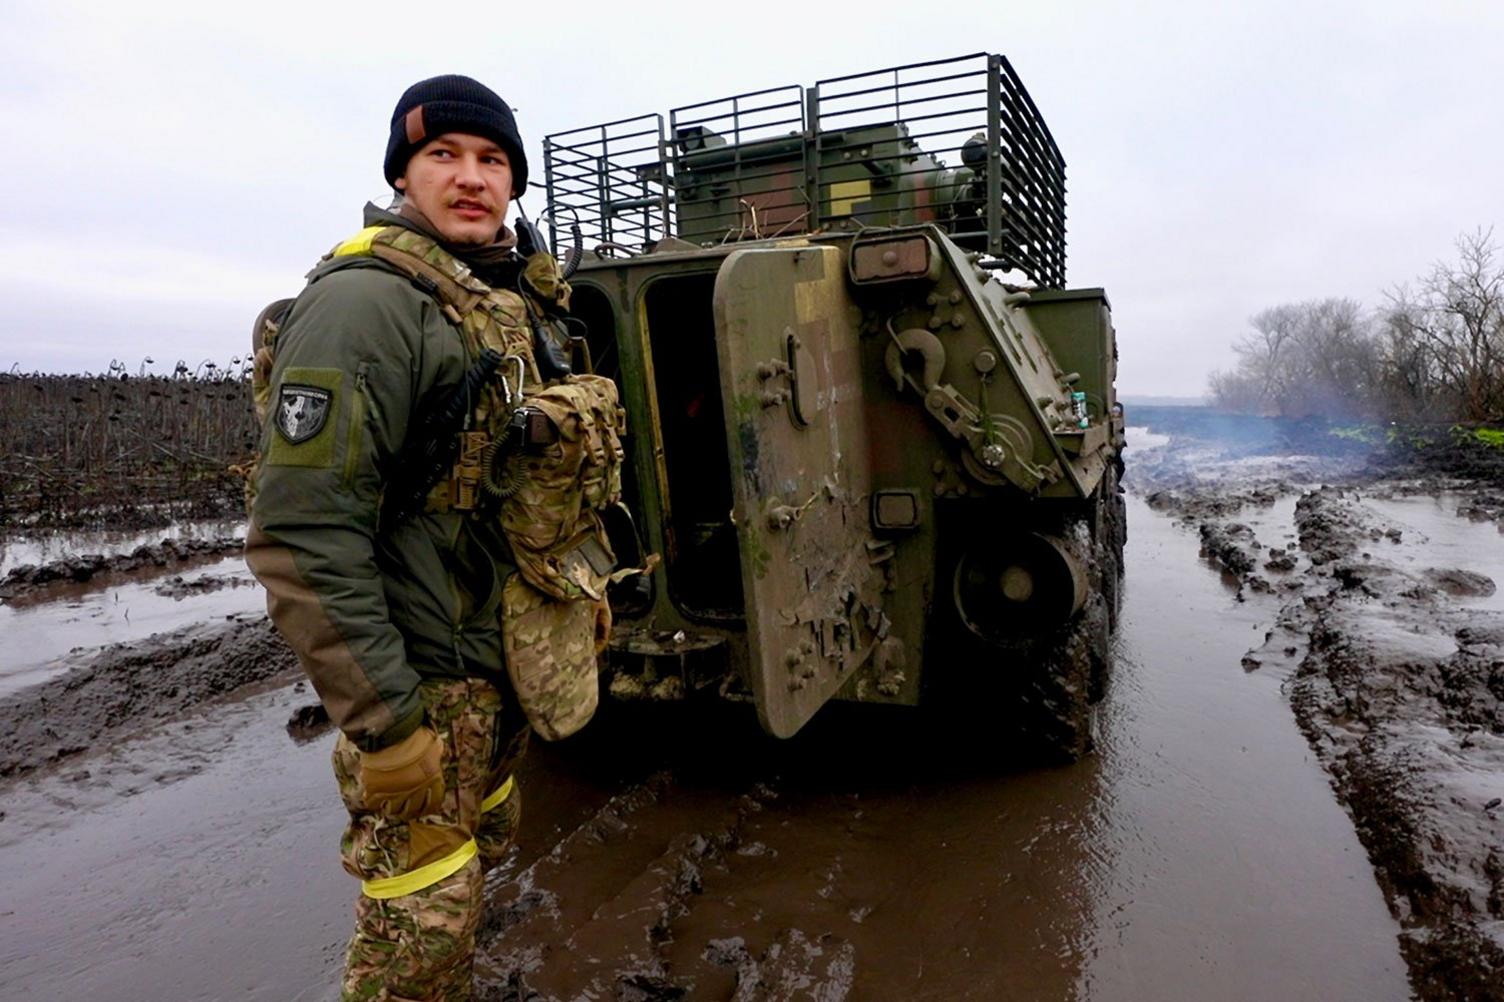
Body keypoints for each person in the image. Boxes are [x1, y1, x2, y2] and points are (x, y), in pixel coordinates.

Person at [246, 74, 570, 1001]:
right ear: (403, 174)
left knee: (474, 874)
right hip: (422, 679)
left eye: (492, 160)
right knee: (416, 930)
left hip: (492, 664)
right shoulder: (368, 304)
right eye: (444, 156)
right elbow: (301, 533)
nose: (471, 178)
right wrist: (386, 724)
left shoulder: (502, 294)